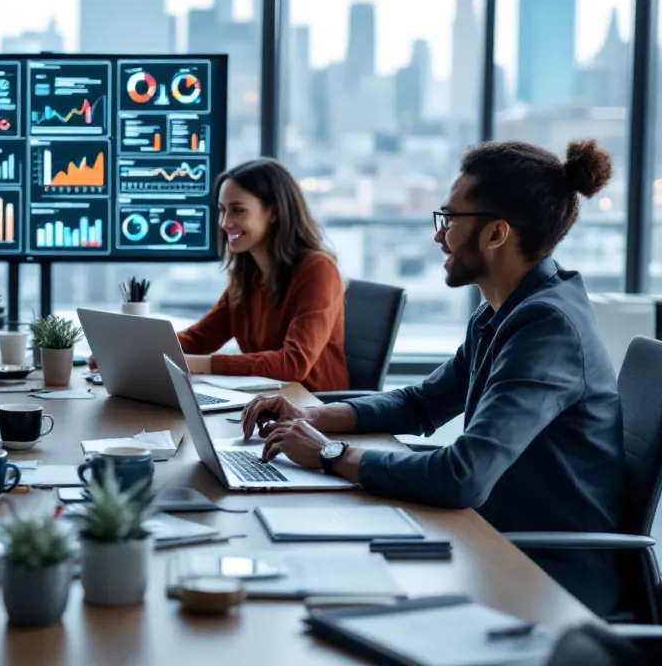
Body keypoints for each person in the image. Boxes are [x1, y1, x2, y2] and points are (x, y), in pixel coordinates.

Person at [240, 139, 625, 615]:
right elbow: (424, 403)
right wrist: (312, 414)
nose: (439, 237)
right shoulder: (504, 312)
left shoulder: (548, 328)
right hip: (492, 541)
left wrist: (328, 453)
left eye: (449, 220)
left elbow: (463, 476)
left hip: (545, 578)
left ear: (496, 234)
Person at [176, 158, 349, 392]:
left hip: (312, 407)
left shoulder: (317, 269)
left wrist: (201, 364)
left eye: (237, 211)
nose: (225, 223)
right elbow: (199, 339)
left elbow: (293, 364)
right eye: (222, 210)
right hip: (265, 401)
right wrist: (145, 349)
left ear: (274, 213)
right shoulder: (248, 275)